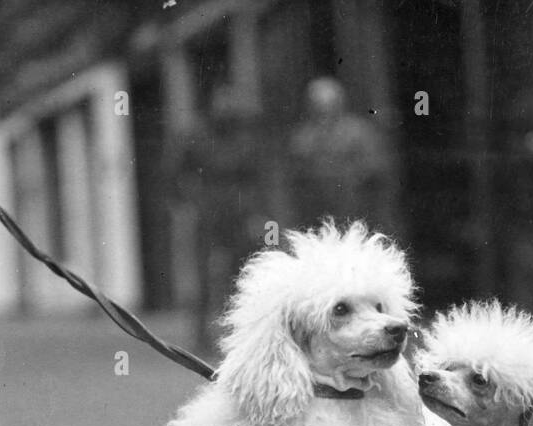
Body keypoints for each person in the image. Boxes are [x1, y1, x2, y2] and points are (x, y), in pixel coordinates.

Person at [167, 83, 267, 353]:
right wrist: (187, 204)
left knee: (241, 274)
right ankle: (201, 336)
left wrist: (256, 215)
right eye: (221, 102)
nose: (226, 109)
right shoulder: (196, 136)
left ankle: (239, 333)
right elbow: (176, 174)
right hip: (206, 211)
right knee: (202, 275)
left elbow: (256, 180)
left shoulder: (245, 138)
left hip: (239, 212)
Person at [288, 77, 392, 232]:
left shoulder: (359, 131)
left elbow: (375, 166)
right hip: (316, 211)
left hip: (357, 208)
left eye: (329, 105)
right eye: (318, 106)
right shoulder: (303, 136)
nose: (324, 111)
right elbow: (296, 172)